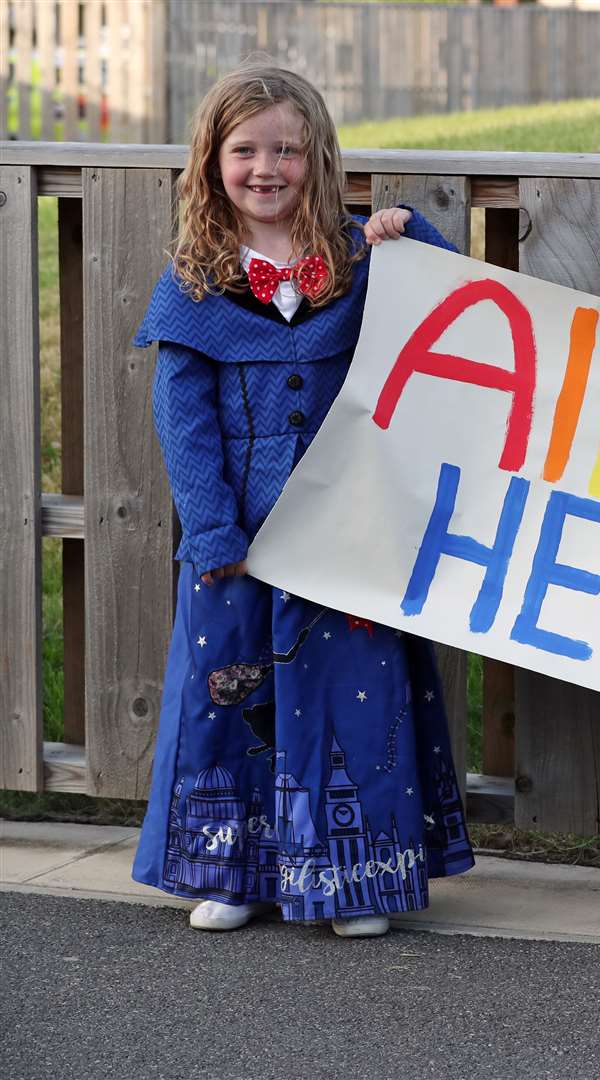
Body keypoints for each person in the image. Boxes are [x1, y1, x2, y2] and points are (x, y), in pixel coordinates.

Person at [129, 64, 474, 937]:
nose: (267, 167)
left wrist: (414, 231)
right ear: (212, 163)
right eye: (245, 150)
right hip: (239, 541)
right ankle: (236, 871)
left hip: (344, 533)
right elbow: (185, 416)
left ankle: (353, 882)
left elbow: (451, 318)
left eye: (287, 148)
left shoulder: (361, 263)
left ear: (318, 158)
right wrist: (211, 528)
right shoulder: (196, 282)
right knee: (231, 699)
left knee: (348, 702)